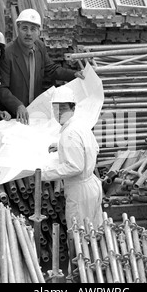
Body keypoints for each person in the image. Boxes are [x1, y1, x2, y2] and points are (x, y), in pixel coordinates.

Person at [0, 8, 85, 125]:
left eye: (33, 29)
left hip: (35, 112)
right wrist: (17, 105)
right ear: (18, 29)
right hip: (13, 115)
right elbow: (2, 88)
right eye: (24, 28)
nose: (28, 33)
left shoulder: (39, 47)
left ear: (39, 32)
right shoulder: (7, 53)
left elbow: (51, 69)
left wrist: (73, 74)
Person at [41, 86, 103, 230]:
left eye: (63, 108)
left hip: (80, 192)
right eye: (56, 108)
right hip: (91, 187)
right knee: (94, 233)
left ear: (73, 108)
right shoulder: (80, 125)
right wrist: (62, 146)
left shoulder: (70, 133)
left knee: (79, 236)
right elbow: (94, 148)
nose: (59, 112)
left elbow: (75, 167)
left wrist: (43, 174)